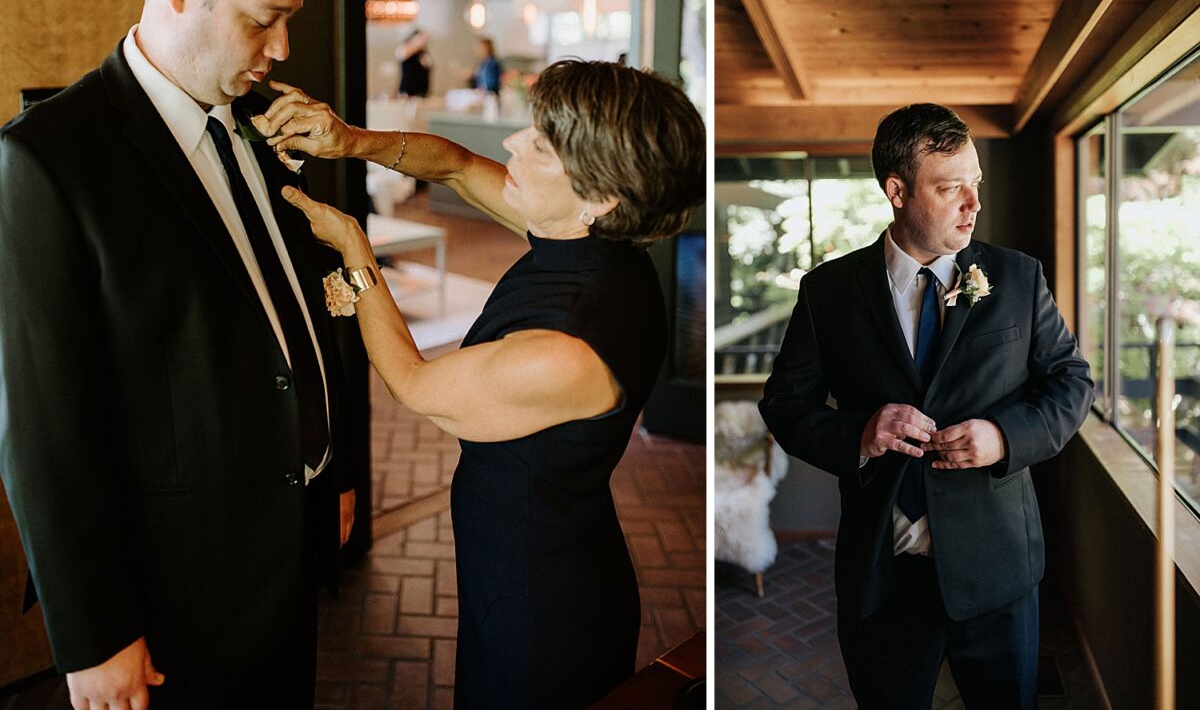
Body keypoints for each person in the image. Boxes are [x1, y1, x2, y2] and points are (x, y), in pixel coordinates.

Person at [0, 0, 356, 710]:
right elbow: (43, 426)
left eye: (288, 20)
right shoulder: (48, 161)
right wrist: (93, 633)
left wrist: (331, 472)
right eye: (262, 20)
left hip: (286, 551)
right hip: (168, 591)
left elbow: (293, 308)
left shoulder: (260, 128)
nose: (281, 50)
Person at [258, 60, 705, 709]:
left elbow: (414, 382)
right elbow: (456, 168)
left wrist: (356, 253)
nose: (512, 146)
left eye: (541, 146)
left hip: (541, 599)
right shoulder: (588, 237)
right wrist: (348, 139)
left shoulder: (568, 351)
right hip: (534, 548)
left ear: (600, 193)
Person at [760, 103, 1092, 710]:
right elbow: (783, 404)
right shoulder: (827, 292)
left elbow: (1072, 382)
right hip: (884, 577)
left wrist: (1003, 439)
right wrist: (860, 433)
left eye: (977, 184)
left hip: (998, 572)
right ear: (897, 190)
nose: (974, 202)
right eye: (950, 187)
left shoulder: (1018, 278)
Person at [397, 27, 432, 98]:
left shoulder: (424, 54)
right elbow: (403, 55)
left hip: (422, 93)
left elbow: (428, 66)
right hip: (407, 93)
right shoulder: (404, 48)